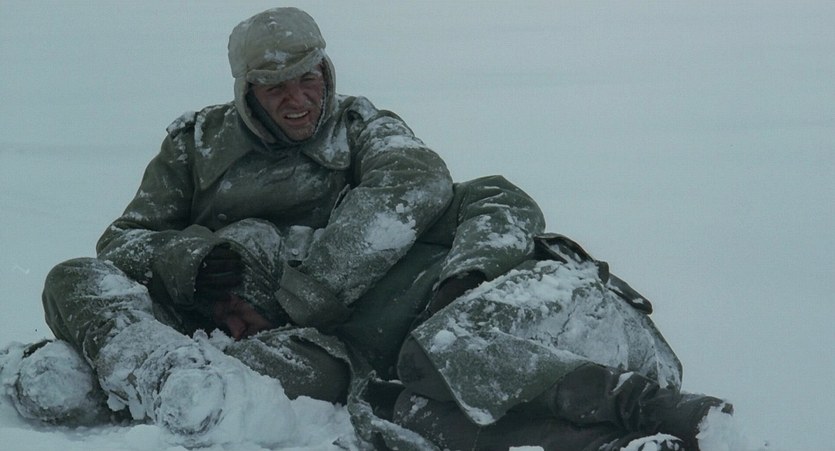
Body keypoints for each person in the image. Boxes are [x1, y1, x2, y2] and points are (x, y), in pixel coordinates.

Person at [0, 7, 733, 451]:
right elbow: (122, 243)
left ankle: (123, 380)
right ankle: (162, 375)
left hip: (316, 333)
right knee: (73, 277)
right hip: (216, 318)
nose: (300, 100)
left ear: (328, 70)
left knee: (379, 382)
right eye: (276, 86)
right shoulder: (194, 147)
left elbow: (417, 181)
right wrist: (201, 266)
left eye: (311, 78)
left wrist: (302, 296)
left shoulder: (361, 127)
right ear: (246, 91)